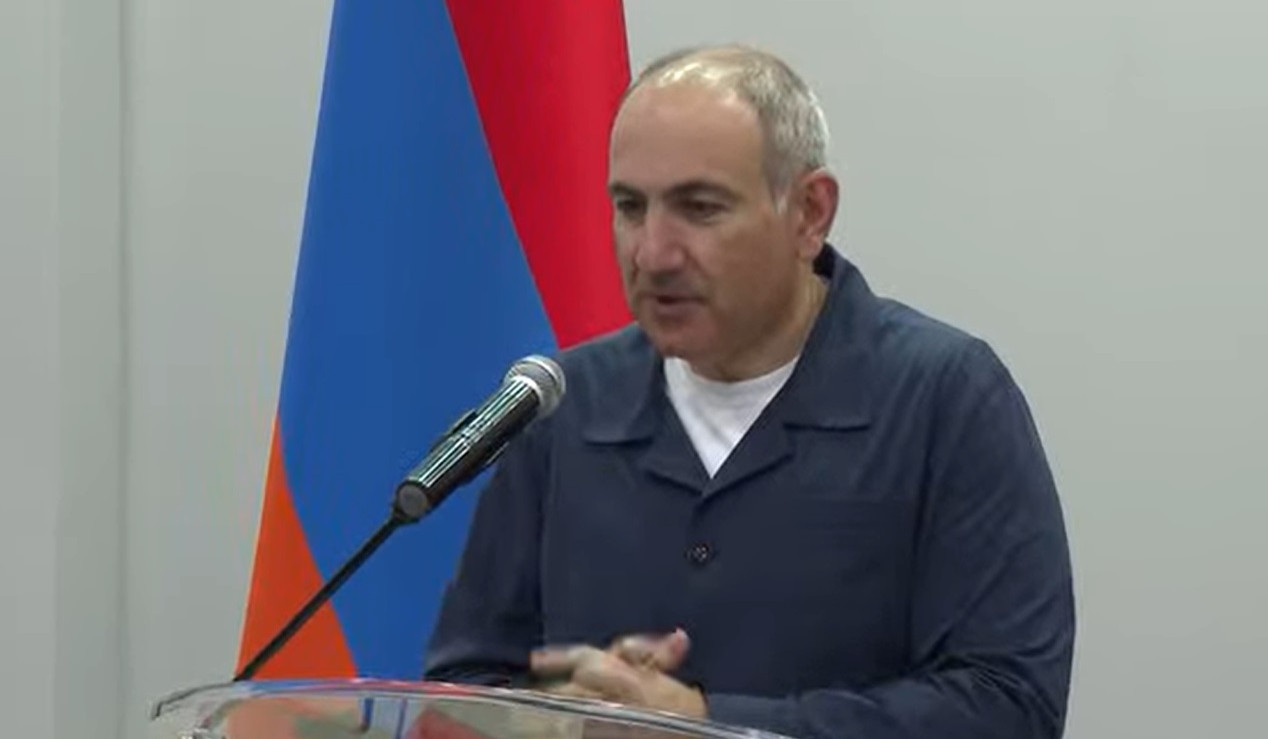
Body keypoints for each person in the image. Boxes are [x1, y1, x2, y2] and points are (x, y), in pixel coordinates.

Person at [423, 44, 1075, 739]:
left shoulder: (945, 399)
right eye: (630, 207)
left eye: (700, 208)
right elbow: (461, 692)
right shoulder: (564, 407)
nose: (653, 253)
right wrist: (572, 710)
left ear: (809, 214)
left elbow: (1010, 706)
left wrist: (707, 726)